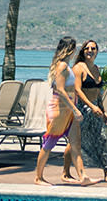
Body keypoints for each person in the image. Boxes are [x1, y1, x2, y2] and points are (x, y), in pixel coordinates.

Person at [35, 36, 92, 186]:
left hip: (69, 111)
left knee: (75, 144)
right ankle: (38, 178)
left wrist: (74, 109)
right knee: (49, 144)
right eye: (74, 48)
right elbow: (60, 90)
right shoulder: (61, 66)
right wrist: (75, 109)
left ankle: (83, 176)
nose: (76, 51)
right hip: (59, 109)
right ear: (69, 49)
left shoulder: (66, 66)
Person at [69, 39, 107, 183]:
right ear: (83, 51)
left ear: (97, 51)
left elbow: (98, 92)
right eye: (87, 48)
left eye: (93, 48)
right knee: (76, 140)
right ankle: (66, 171)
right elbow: (77, 90)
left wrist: (103, 110)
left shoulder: (96, 68)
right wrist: (92, 106)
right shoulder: (79, 68)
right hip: (83, 109)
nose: (90, 50)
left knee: (101, 138)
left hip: (96, 108)